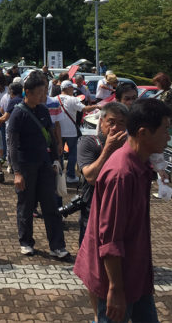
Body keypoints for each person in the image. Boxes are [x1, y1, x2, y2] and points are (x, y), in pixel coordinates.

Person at [74, 98, 171, 323]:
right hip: (118, 280)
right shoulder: (122, 173)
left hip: (136, 273)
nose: (168, 137)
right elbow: (110, 240)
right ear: (144, 133)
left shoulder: (140, 165)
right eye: (165, 130)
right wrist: (116, 289)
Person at [8, 71, 69, 259]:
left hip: (44, 164)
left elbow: (50, 136)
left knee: (51, 205)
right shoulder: (18, 114)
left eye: (44, 91)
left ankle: (57, 246)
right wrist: (17, 172)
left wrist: (55, 160)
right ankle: (26, 242)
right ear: (28, 92)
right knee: (26, 205)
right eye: (40, 92)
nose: (43, 96)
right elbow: (12, 145)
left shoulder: (43, 110)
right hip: (26, 166)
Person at [76, 102, 129, 247]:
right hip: (93, 210)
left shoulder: (131, 147)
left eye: (121, 123)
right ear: (101, 122)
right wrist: (108, 149)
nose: (115, 128)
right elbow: (91, 177)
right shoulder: (89, 143)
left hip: (120, 211)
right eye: (111, 122)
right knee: (90, 257)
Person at [59, 80, 101, 182]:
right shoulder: (73, 99)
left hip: (58, 131)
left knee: (59, 153)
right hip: (71, 131)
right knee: (73, 153)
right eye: (72, 88)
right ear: (68, 88)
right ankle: (70, 176)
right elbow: (85, 109)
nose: (73, 89)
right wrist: (97, 106)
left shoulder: (54, 99)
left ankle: (59, 176)